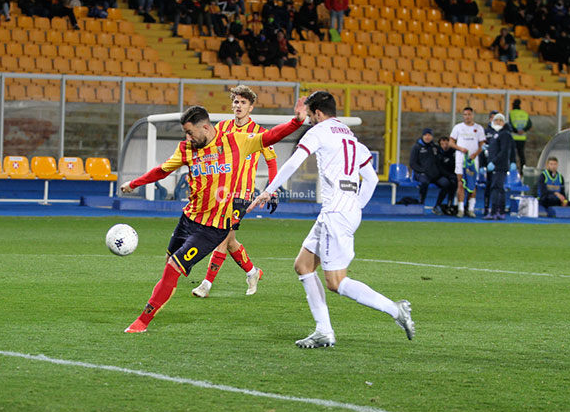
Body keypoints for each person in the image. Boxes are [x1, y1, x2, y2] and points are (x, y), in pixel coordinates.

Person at [119, 102, 308, 333]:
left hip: (213, 227)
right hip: (188, 219)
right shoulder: (186, 149)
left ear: (206, 128)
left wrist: (296, 122)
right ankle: (161, 300)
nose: (188, 137)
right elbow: (162, 170)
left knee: (173, 268)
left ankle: (142, 322)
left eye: (190, 132)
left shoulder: (235, 141)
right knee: (169, 264)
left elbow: (270, 136)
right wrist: (134, 183)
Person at [248, 91, 414, 348]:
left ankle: (395, 309)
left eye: (310, 116)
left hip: (335, 213)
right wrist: (355, 206)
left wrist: (269, 190)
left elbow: (293, 163)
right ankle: (323, 331)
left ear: (317, 113)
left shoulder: (319, 131)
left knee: (336, 282)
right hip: (343, 210)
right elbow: (371, 179)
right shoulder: (351, 136)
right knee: (303, 265)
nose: (309, 121)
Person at [191, 86, 278, 299]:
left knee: (221, 237)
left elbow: (272, 162)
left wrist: (272, 190)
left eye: (243, 103)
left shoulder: (260, 133)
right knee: (230, 241)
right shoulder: (222, 128)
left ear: (251, 107)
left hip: (242, 194)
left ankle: (206, 285)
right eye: (236, 102)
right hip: (221, 192)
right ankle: (252, 272)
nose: (238, 106)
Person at [449, 106, 486, 218]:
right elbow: (451, 143)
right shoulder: (458, 127)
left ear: (473, 115)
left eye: (469, 114)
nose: (467, 117)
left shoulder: (478, 128)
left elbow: (482, 145)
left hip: (473, 161)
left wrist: (475, 154)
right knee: (461, 183)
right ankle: (460, 209)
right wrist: (460, 148)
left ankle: (471, 209)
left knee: (472, 184)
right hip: (461, 160)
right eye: (465, 115)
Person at [484, 114, 516, 220]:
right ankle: (500, 211)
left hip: (499, 166)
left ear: (504, 122)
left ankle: (494, 211)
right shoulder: (497, 134)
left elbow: (504, 151)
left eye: (500, 120)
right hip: (496, 166)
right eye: (496, 120)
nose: (498, 122)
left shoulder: (505, 134)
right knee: (499, 188)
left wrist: (494, 162)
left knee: (496, 188)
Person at [409, 127, 450, 207]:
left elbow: (441, 160)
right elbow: (412, 163)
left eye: (429, 135)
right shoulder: (416, 147)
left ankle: (438, 205)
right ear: (423, 136)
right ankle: (421, 203)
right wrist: (423, 170)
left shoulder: (434, 147)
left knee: (446, 183)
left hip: (434, 174)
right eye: (425, 135)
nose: (427, 137)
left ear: (432, 137)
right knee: (424, 182)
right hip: (422, 174)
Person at [435, 135, 457, 214]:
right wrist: (449, 175)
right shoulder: (437, 154)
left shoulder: (454, 153)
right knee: (446, 184)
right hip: (440, 176)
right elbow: (439, 168)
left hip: (451, 175)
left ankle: (450, 204)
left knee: (454, 183)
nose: (444, 146)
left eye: (446, 144)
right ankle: (437, 205)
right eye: (442, 144)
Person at [508, 98, 531, 169]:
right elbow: (529, 124)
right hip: (522, 137)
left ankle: (512, 169)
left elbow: (509, 124)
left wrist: (516, 131)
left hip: (513, 137)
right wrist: (523, 130)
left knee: (512, 154)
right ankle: (523, 169)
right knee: (521, 154)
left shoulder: (511, 113)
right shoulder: (524, 113)